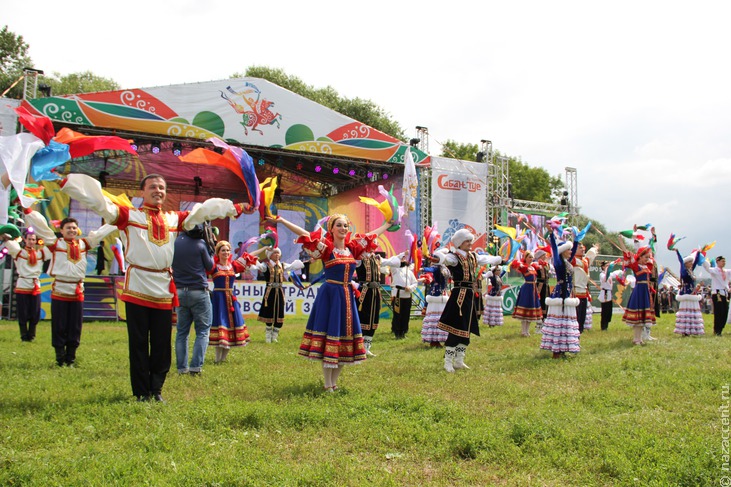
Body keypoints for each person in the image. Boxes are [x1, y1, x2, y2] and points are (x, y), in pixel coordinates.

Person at [61, 172, 252, 402]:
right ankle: (142, 392)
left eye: (162, 187)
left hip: (162, 288)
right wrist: (69, 184)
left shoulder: (173, 218)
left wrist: (235, 208)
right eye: (152, 186)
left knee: (162, 343)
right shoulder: (128, 215)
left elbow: (202, 211)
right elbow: (99, 202)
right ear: (143, 191)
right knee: (139, 342)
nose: (158, 190)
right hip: (137, 286)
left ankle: (156, 389)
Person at [271, 213, 392, 392]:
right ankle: (327, 384)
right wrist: (282, 221)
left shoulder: (352, 249)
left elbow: (371, 236)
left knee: (344, 340)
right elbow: (305, 234)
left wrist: (387, 225)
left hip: (347, 297)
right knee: (330, 337)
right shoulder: (327, 249)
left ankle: (334, 383)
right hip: (330, 296)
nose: (343, 228)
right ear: (332, 229)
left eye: (345, 226)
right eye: (339, 225)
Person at [23, 211, 116, 366]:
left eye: (74, 228)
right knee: (59, 324)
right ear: (62, 230)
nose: (72, 230)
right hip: (60, 290)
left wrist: (116, 220)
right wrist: (28, 211)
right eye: (68, 228)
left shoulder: (84, 244)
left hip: (77, 291)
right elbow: (41, 226)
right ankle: (60, 357)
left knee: (75, 326)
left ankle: (71, 357)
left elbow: (100, 233)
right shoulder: (55, 243)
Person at [434, 228, 501, 372]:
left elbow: (486, 259)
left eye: (470, 240)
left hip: (470, 295)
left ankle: (459, 360)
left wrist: (496, 259)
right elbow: (445, 259)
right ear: (459, 243)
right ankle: (448, 362)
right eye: (467, 241)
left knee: (467, 327)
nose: (470, 243)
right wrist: (440, 255)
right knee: (457, 327)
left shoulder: (473, 256)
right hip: (459, 294)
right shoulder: (454, 257)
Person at [209, 240, 266, 363]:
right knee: (220, 325)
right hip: (219, 299)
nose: (226, 252)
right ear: (218, 253)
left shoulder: (233, 265)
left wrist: (264, 248)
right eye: (223, 250)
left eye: (228, 250)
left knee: (232, 325)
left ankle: (223, 359)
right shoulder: (214, 266)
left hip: (231, 299)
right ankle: (217, 359)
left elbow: (249, 256)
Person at [172, 224, 214, 375]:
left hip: (180, 291)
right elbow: (210, 266)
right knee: (202, 331)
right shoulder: (201, 244)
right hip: (198, 291)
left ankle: (181, 368)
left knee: (181, 332)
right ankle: (196, 367)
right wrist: (211, 250)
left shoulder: (175, 241)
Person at [2, 228, 51, 342]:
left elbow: (52, 247)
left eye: (33, 239)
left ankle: (32, 334)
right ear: (24, 239)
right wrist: (6, 236)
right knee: (23, 311)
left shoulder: (40, 253)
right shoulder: (19, 252)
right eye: (29, 239)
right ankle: (24, 335)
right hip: (23, 284)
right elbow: (10, 243)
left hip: (35, 284)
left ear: (36, 241)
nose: (31, 241)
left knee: (35, 311)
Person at [539, 234, 581, 358]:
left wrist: (577, 240)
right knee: (560, 320)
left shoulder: (567, 262)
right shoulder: (558, 262)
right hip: (561, 293)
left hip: (568, 293)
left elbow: (573, 251)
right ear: (562, 251)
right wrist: (552, 235)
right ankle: (556, 350)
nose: (570, 251)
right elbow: (554, 249)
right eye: (568, 249)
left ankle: (564, 347)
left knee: (566, 321)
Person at [253, 246, 304, 343]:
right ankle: (268, 336)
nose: (276, 255)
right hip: (270, 292)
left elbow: (294, 266)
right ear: (269, 256)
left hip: (279, 292)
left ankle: (274, 335)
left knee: (279, 312)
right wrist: (251, 259)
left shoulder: (283, 265)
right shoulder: (266, 266)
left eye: (278, 253)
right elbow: (256, 265)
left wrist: (308, 261)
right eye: (274, 253)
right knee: (269, 312)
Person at [354, 239, 384, 355]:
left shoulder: (376, 258)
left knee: (374, 318)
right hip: (365, 292)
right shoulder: (360, 258)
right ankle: (358, 346)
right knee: (363, 317)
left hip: (375, 292)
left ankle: (367, 347)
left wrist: (402, 257)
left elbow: (390, 262)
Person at [382, 250, 421, 339]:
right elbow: (393, 260)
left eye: (404, 258)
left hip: (407, 295)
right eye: (402, 258)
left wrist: (410, 288)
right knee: (397, 314)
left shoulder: (409, 271)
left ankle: (403, 332)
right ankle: (397, 332)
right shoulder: (395, 269)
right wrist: (402, 253)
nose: (403, 259)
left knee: (406, 315)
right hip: (398, 295)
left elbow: (415, 282)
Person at [621, 246, 656, 345]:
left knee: (642, 317)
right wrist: (621, 243)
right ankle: (636, 338)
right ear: (640, 257)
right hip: (639, 290)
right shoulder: (636, 266)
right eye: (645, 257)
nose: (647, 259)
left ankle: (639, 338)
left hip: (645, 291)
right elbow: (628, 256)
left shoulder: (646, 267)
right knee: (638, 317)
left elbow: (651, 261)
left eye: (648, 257)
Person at [510, 250, 546, 337]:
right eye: (529, 257)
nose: (531, 259)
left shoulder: (533, 267)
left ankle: (527, 331)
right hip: (527, 288)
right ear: (525, 258)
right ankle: (523, 330)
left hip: (533, 289)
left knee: (531, 310)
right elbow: (514, 265)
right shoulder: (524, 267)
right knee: (525, 309)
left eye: (532, 257)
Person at [673, 249, 704, 336]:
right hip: (686, 292)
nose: (691, 264)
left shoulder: (691, 270)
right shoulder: (684, 271)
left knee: (693, 309)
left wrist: (698, 252)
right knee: (687, 309)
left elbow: (696, 261)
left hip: (692, 292)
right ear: (685, 263)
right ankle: (685, 329)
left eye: (691, 262)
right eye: (689, 262)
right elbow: (680, 261)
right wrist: (678, 252)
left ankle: (693, 328)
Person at [571, 242, 599, 333]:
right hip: (575, 291)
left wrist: (595, 248)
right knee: (576, 315)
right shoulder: (573, 260)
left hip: (584, 292)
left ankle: (580, 332)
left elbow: (591, 255)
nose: (583, 249)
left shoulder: (585, 260)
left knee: (582, 316)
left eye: (583, 248)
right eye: (580, 248)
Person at [421, 260, 450, 346]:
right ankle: (441, 338)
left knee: (435, 317)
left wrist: (422, 268)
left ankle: (434, 340)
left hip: (435, 295)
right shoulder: (446, 269)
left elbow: (431, 270)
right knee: (442, 316)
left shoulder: (437, 268)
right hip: (443, 294)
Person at [702, 255, 730, 336]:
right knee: (719, 312)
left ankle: (720, 328)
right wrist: (702, 258)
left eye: (724, 261)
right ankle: (717, 329)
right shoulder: (715, 270)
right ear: (717, 262)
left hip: (724, 293)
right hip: (717, 293)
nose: (724, 263)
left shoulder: (726, 271)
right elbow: (707, 268)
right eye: (722, 261)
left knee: (725, 312)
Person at [598, 261, 624, 330]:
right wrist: (607, 269)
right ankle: (603, 326)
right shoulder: (602, 274)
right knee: (605, 310)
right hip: (605, 294)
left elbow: (616, 273)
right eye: (606, 266)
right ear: (603, 267)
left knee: (609, 311)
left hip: (609, 294)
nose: (608, 267)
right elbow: (605, 278)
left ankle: (606, 324)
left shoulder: (610, 274)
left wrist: (622, 270)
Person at [534, 246, 552, 333]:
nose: (545, 256)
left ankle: (545, 322)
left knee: (546, 302)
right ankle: (539, 323)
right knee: (540, 302)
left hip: (546, 285)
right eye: (544, 255)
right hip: (540, 286)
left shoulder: (546, 265)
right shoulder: (537, 265)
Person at [481, 264, 505, 328]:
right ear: (494, 271)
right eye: (497, 270)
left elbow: (504, 271)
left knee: (497, 309)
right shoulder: (493, 277)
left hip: (498, 294)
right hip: (493, 294)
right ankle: (490, 323)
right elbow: (489, 273)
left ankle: (496, 322)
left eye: (499, 270)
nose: (499, 271)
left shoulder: (499, 277)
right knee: (491, 309)